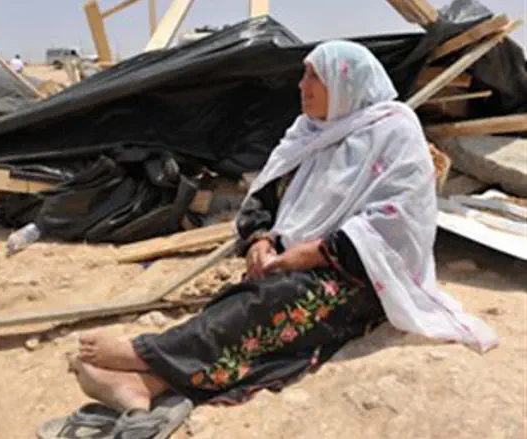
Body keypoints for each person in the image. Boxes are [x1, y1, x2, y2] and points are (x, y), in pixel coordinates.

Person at [66, 40, 499, 413]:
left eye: (313, 77)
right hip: (290, 262)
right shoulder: (308, 132)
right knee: (243, 302)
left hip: (363, 274)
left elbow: (397, 223)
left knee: (278, 303)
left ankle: (145, 354)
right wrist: (260, 239)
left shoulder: (394, 131)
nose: (301, 86)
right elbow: (265, 197)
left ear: (344, 83)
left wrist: (310, 254)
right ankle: (148, 384)